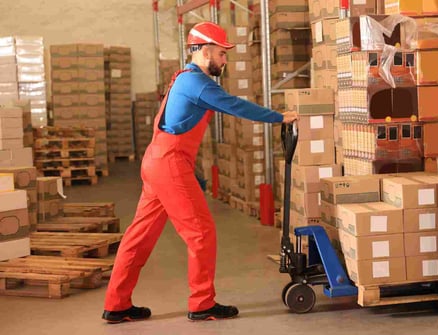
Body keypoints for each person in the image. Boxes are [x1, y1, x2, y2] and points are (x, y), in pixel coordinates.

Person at [102, 22, 298, 324]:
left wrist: (193, 175)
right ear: (205, 51)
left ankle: (116, 304)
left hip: (159, 160)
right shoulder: (200, 84)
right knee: (201, 232)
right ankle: (202, 302)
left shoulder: (184, 79)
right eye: (221, 54)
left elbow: (177, 133)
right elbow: (235, 106)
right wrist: (280, 117)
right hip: (169, 164)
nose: (225, 61)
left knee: (138, 237)